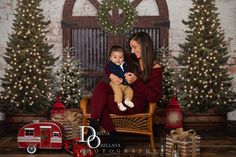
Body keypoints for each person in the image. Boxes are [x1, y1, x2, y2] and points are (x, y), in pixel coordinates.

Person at [88, 31, 162, 148]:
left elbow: (154, 96)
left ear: (145, 45)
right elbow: (109, 66)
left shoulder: (155, 68)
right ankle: (102, 132)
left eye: (134, 47)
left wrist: (136, 81)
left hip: (135, 103)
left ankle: (105, 134)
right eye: (131, 47)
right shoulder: (131, 61)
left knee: (99, 102)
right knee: (101, 87)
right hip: (121, 94)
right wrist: (111, 75)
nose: (132, 51)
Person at [108, 45, 134, 111]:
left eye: (120, 57)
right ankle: (119, 104)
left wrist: (129, 74)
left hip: (124, 84)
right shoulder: (111, 65)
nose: (117, 59)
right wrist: (124, 74)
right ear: (110, 58)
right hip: (115, 83)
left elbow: (128, 70)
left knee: (130, 91)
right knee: (118, 93)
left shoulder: (125, 64)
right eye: (115, 57)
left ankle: (127, 100)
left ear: (123, 58)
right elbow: (115, 71)